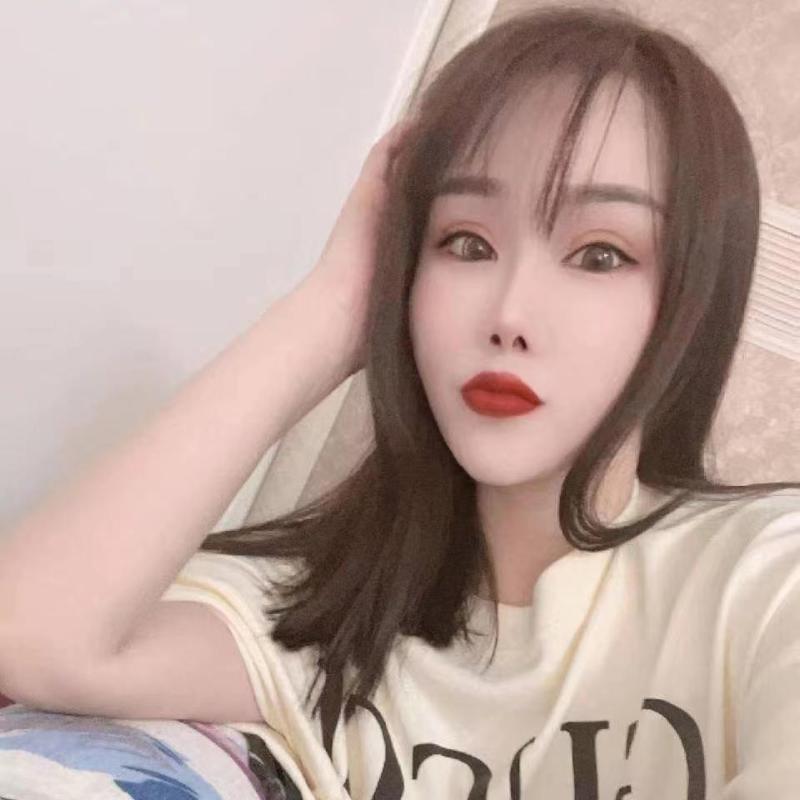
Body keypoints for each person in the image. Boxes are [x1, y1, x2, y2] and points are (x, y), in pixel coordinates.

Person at [1, 4, 799, 798]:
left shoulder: (763, 577)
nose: (510, 315)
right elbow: (34, 635)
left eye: (599, 254)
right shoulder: (332, 623)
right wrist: (334, 310)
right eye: (466, 243)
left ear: (693, 296)